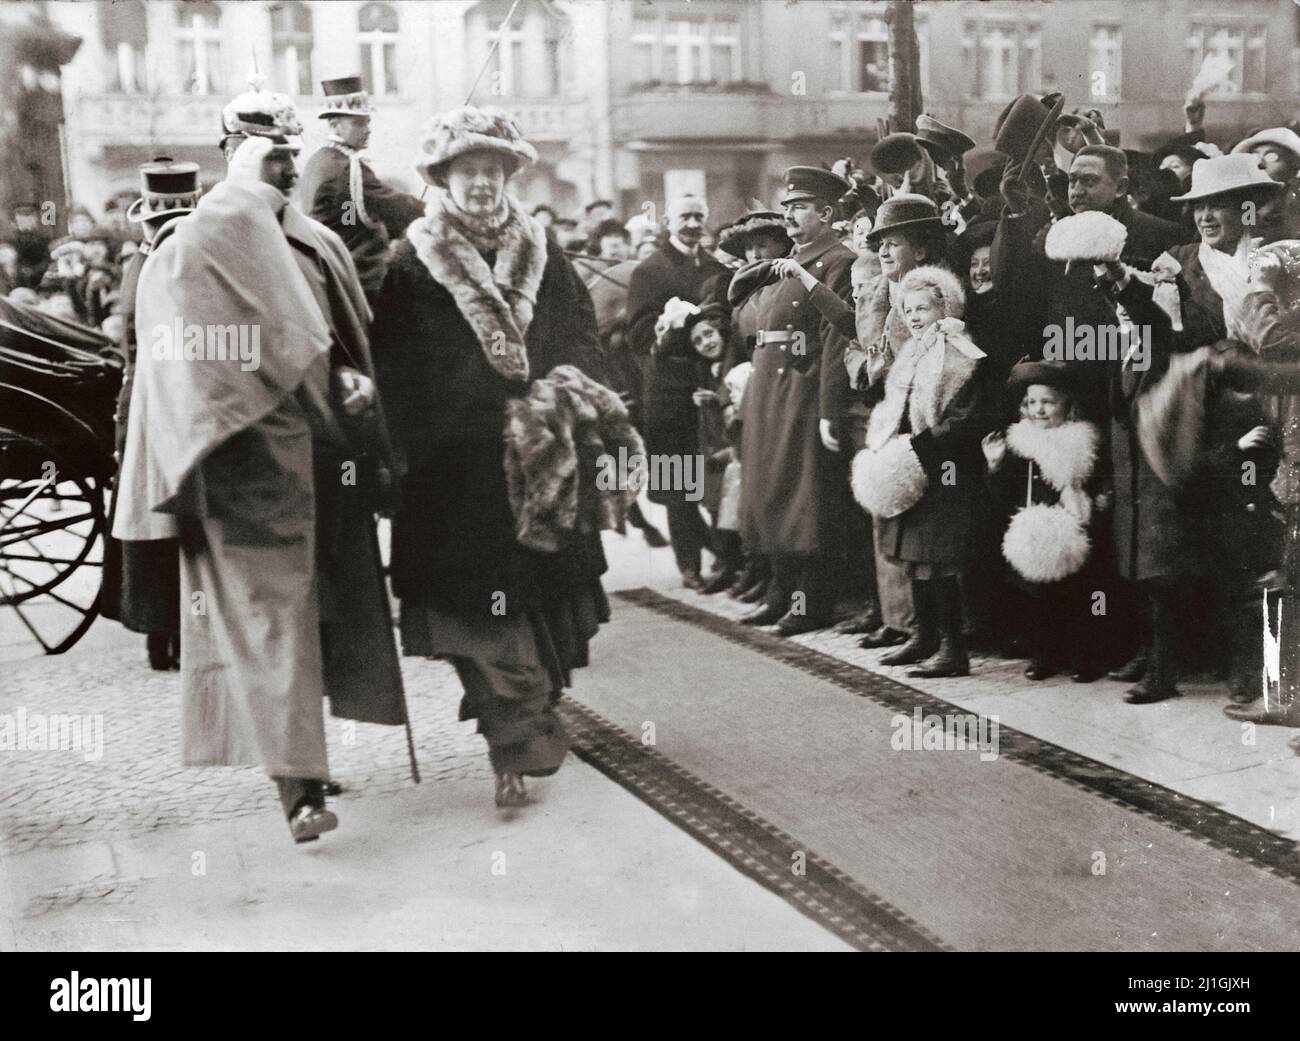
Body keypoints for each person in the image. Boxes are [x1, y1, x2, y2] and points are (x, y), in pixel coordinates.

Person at [113, 84, 407, 844]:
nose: (283, 168)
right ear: (232, 154)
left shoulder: (318, 241)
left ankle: (305, 753)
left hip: (326, 458)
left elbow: (353, 333)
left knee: (323, 614)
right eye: (266, 154)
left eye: (287, 153)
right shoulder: (189, 247)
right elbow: (181, 366)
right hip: (242, 470)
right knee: (268, 623)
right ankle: (298, 790)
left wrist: (357, 384)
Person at [370, 105, 618, 808]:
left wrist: (568, 393)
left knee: (545, 608)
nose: (481, 183)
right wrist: (401, 455)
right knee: (479, 620)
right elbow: (393, 370)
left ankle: (530, 720)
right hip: (454, 478)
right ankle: (514, 740)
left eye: (493, 171)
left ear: (509, 177)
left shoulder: (545, 252)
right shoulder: (411, 264)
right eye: (467, 171)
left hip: (541, 465)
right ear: (443, 178)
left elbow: (581, 338)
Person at [739, 165, 857, 635]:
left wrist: (830, 409)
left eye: (800, 207)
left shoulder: (837, 261)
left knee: (802, 501)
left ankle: (810, 603)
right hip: (769, 390)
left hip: (801, 389)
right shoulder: (789, 261)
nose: (790, 216)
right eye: (787, 207)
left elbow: (835, 338)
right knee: (769, 493)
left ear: (827, 213)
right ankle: (779, 592)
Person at [851, 265, 986, 676]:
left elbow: (968, 416)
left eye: (922, 309)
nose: (913, 317)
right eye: (908, 310)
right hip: (910, 465)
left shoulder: (963, 353)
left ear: (944, 307)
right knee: (915, 557)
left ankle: (953, 646)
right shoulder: (912, 354)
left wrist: (924, 445)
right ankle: (924, 634)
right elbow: (897, 404)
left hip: (943, 467)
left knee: (939, 560)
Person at [100, 157, 200, 671]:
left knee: (149, 516)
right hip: (164, 402)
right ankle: (175, 634)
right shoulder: (170, 259)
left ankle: (158, 636)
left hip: (140, 401)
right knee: (173, 518)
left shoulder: (141, 259)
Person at [626, 193, 730, 588]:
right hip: (668, 388)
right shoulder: (649, 271)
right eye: (684, 217)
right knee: (677, 479)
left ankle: (725, 555)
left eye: (698, 217)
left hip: (710, 384)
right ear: (668, 221)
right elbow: (636, 335)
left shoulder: (717, 269)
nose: (692, 224)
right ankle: (690, 565)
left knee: (718, 475)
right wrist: (669, 327)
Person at [983, 361, 1107, 681]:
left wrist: (1100, 496)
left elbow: (1096, 480)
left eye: (1048, 402)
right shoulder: (1020, 443)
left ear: (1067, 405)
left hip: (1073, 529)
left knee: (1079, 598)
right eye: (1032, 402)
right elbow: (1003, 494)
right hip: (1035, 533)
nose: (1039, 410)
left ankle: (1084, 657)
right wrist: (995, 465)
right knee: (1038, 600)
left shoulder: (1082, 441)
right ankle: (1044, 655)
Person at [298, 76, 426, 302]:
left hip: (331, 273)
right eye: (358, 123)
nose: (367, 129)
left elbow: (353, 217)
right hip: (359, 280)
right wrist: (435, 209)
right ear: (334, 124)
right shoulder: (347, 169)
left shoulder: (319, 160)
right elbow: (394, 204)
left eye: (367, 122)